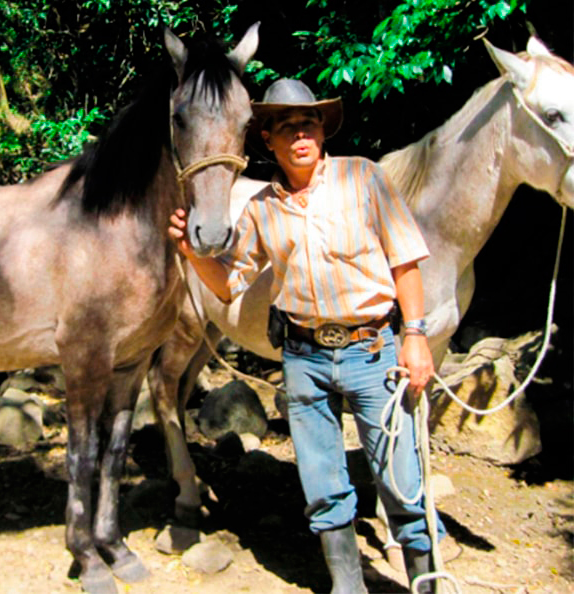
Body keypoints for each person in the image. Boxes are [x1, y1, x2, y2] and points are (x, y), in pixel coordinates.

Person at [169, 78, 445, 593]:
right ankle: (347, 585)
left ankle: (427, 585)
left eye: (309, 123)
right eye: (287, 127)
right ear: (268, 141)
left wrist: (416, 335)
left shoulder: (365, 178)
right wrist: (193, 253)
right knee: (322, 486)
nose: (301, 134)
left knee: (402, 482)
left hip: (373, 353)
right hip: (304, 360)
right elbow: (229, 284)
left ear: (322, 132)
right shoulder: (261, 209)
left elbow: (405, 258)